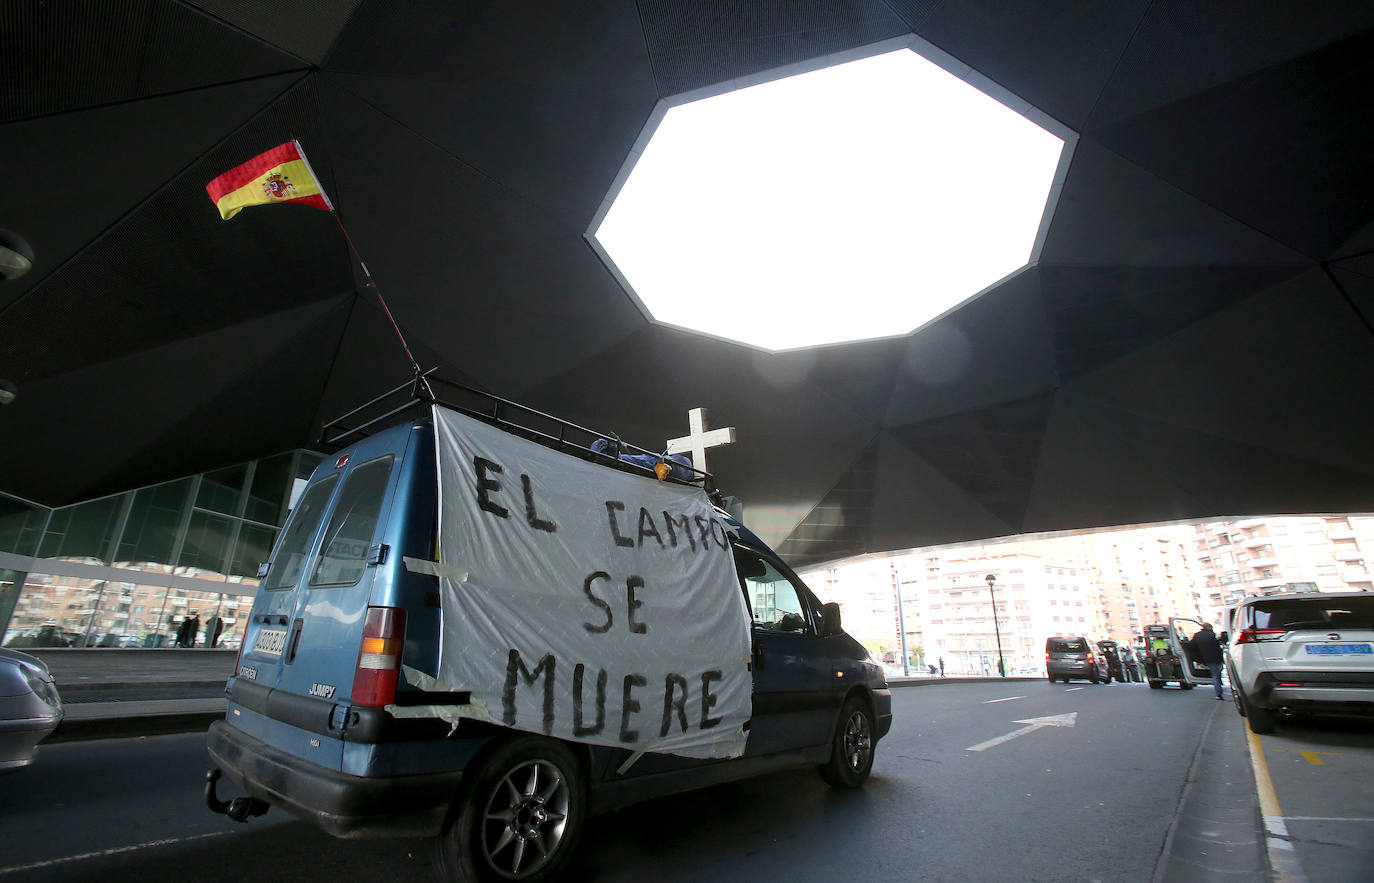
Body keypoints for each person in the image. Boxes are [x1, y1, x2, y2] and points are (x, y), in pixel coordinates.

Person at [1190, 623, 1226, 699]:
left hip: (1204, 658)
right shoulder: (1214, 635)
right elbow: (1219, 645)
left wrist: (1196, 657)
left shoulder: (1197, 635)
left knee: (1215, 674)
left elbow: (1191, 646)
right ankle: (1219, 693)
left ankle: (1219, 690)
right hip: (1216, 657)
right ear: (1210, 628)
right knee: (1216, 675)